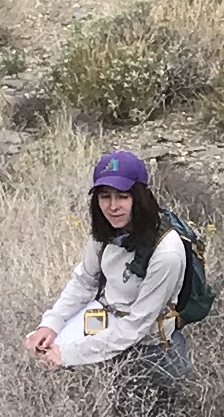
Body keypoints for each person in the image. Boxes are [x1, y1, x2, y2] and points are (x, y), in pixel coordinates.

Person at [28, 149, 189, 373]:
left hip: (151, 353)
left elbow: (137, 325)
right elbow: (84, 282)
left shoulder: (166, 253)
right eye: (105, 196)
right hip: (107, 326)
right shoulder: (106, 233)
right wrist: (51, 324)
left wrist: (67, 354)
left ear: (139, 198)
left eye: (123, 196)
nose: (113, 207)